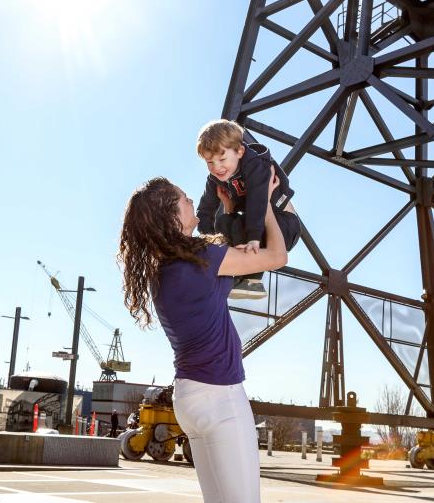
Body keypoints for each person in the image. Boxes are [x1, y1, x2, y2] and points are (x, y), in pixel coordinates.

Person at [118, 170, 286, 503]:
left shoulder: (163, 270)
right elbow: (277, 257)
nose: (192, 199)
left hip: (188, 399)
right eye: (184, 198)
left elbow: (210, 257)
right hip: (220, 396)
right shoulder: (203, 261)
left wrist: (224, 211)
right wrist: (263, 204)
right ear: (171, 215)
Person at [196, 119, 300, 299]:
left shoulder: (256, 164)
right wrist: (209, 244)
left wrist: (253, 236)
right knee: (224, 222)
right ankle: (239, 275)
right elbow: (205, 210)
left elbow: (258, 200)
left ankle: (253, 280)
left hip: (284, 225)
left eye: (222, 159)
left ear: (240, 151)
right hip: (256, 224)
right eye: (209, 162)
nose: (217, 167)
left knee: (243, 222)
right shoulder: (215, 179)